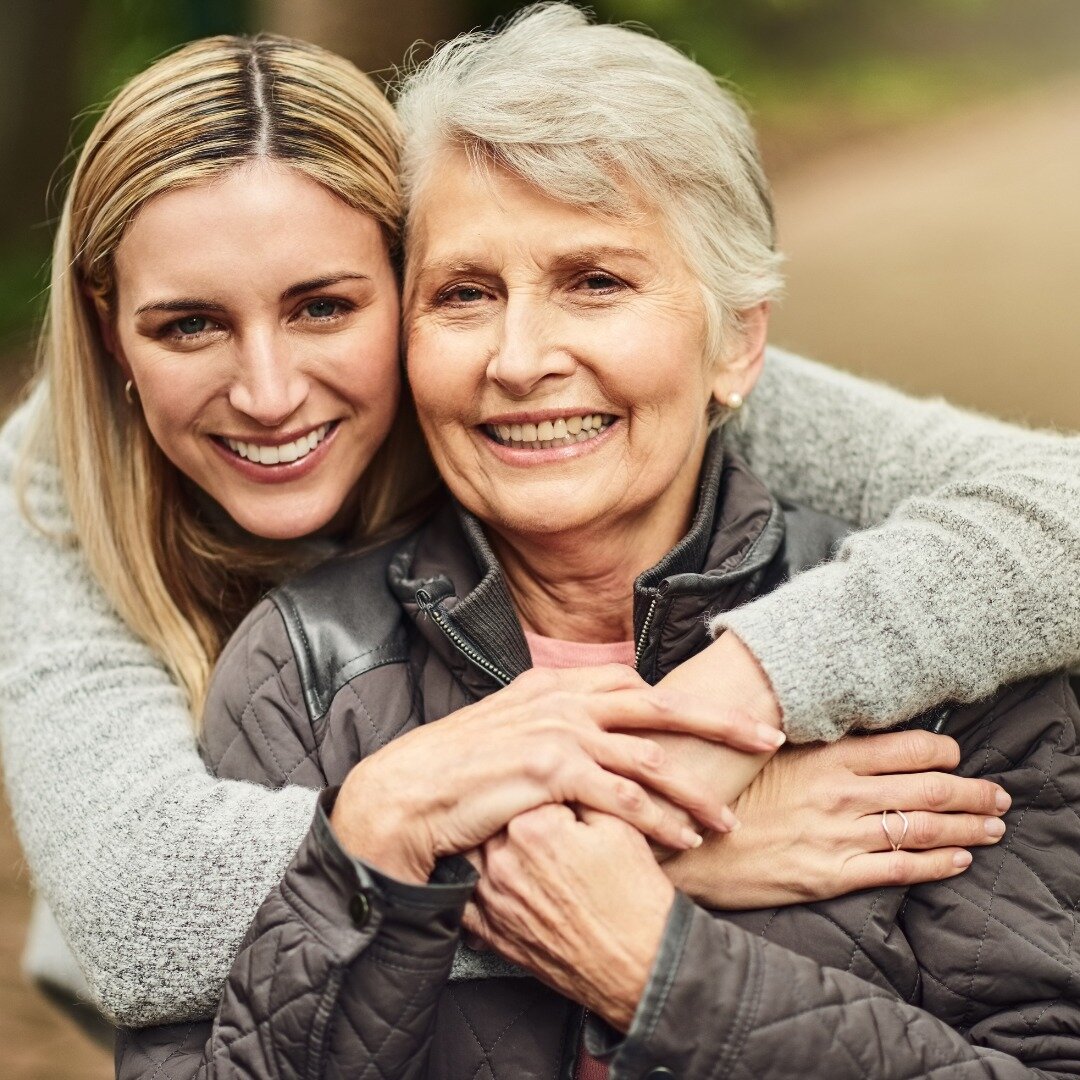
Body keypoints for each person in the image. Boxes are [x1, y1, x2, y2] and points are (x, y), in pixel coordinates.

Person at [0, 23, 1072, 1035]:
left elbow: (1054, 504)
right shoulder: (52, 491)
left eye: (325, 306)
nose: (270, 390)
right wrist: (648, 850)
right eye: (190, 324)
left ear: (401, 275)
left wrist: (731, 701)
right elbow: (135, 924)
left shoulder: (540, 372)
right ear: (112, 332)